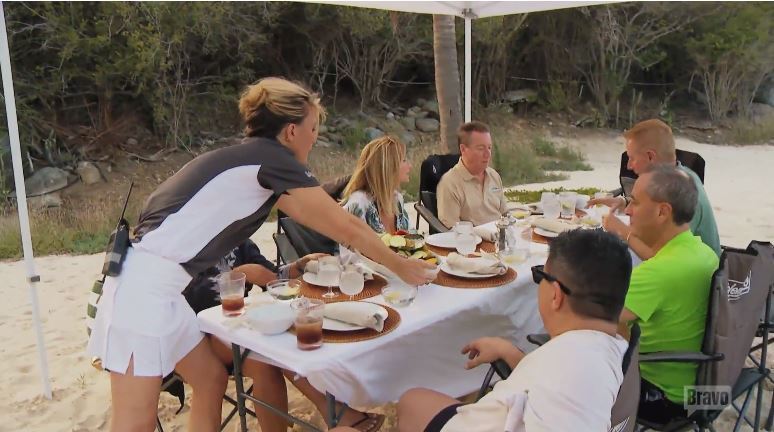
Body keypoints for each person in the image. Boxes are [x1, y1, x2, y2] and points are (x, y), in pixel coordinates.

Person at [87, 76, 434, 432]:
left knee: (210, 380)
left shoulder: (253, 164)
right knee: (134, 423)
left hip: (163, 290)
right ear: (290, 132)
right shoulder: (271, 160)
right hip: (143, 295)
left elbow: (320, 213)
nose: (315, 137)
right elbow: (346, 227)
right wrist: (401, 265)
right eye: (312, 128)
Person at [397, 229, 632, 431]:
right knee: (415, 401)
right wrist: (510, 353)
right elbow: (554, 383)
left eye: (540, 275)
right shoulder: (613, 346)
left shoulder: (565, 364)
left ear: (556, 295)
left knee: (411, 402)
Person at [616, 166, 719, 424]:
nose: (627, 211)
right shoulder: (704, 253)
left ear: (663, 211)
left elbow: (598, 323)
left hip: (666, 400)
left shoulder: (658, 272)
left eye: (635, 203)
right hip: (707, 391)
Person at [589, 119, 720, 259]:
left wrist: (622, 231)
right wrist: (625, 202)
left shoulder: (684, 191)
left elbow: (662, 259)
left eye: (632, 158)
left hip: (696, 275)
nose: (629, 166)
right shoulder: (677, 178)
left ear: (650, 156)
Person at [436, 121, 509, 228]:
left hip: (502, 238)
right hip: (474, 241)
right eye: (481, 148)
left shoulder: (494, 176)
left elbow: (505, 213)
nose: (488, 154)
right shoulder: (450, 184)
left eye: (489, 147)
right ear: (463, 149)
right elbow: (451, 229)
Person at [340, 135, 411, 234]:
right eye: (404, 160)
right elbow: (349, 247)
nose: (409, 166)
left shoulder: (397, 199)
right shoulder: (359, 204)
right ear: (388, 167)